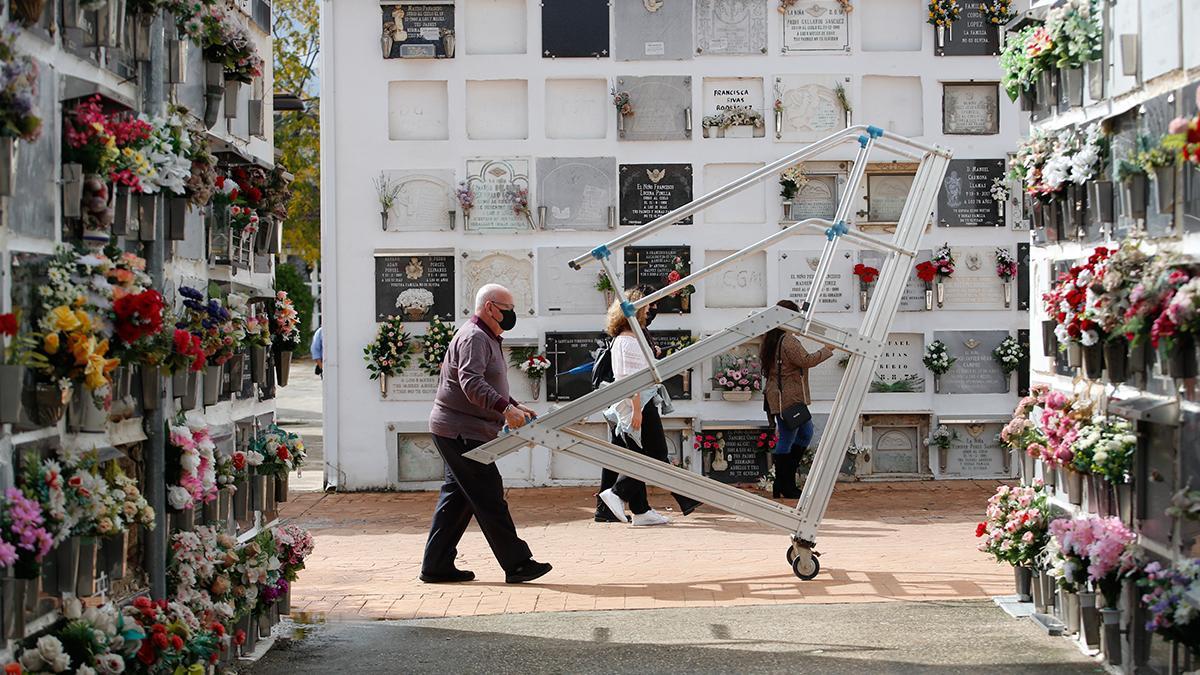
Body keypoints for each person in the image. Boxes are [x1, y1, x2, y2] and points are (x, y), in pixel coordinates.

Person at [421, 284, 552, 584]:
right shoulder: (474, 337)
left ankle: (437, 565)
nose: (512, 315)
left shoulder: (486, 337)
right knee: (489, 495)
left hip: (460, 430)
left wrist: (516, 405)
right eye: (508, 309)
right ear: (491, 307)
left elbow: (489, 383)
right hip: (460, 431)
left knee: (458, 498)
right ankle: (517, 564)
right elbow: (471, 382)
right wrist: (506, 410)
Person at [596, 289, 701, 526]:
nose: (649, 311)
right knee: (655, 456)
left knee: (644, 455)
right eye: (645, 307)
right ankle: (616, 493)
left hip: (641, 402)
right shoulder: (628, 340)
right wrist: (636, 409)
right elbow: (629, 378)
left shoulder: (628, 337)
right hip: (639, 404)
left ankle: (641, 511)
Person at [761, 299, 836, 499]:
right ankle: (785, 485)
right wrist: (828, 348)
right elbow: (806, 361)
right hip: (788, 397)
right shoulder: (788, 340)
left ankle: (783, 483)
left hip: (781, 396)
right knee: (790, 437)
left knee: (803, 433)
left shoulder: (772, 338)